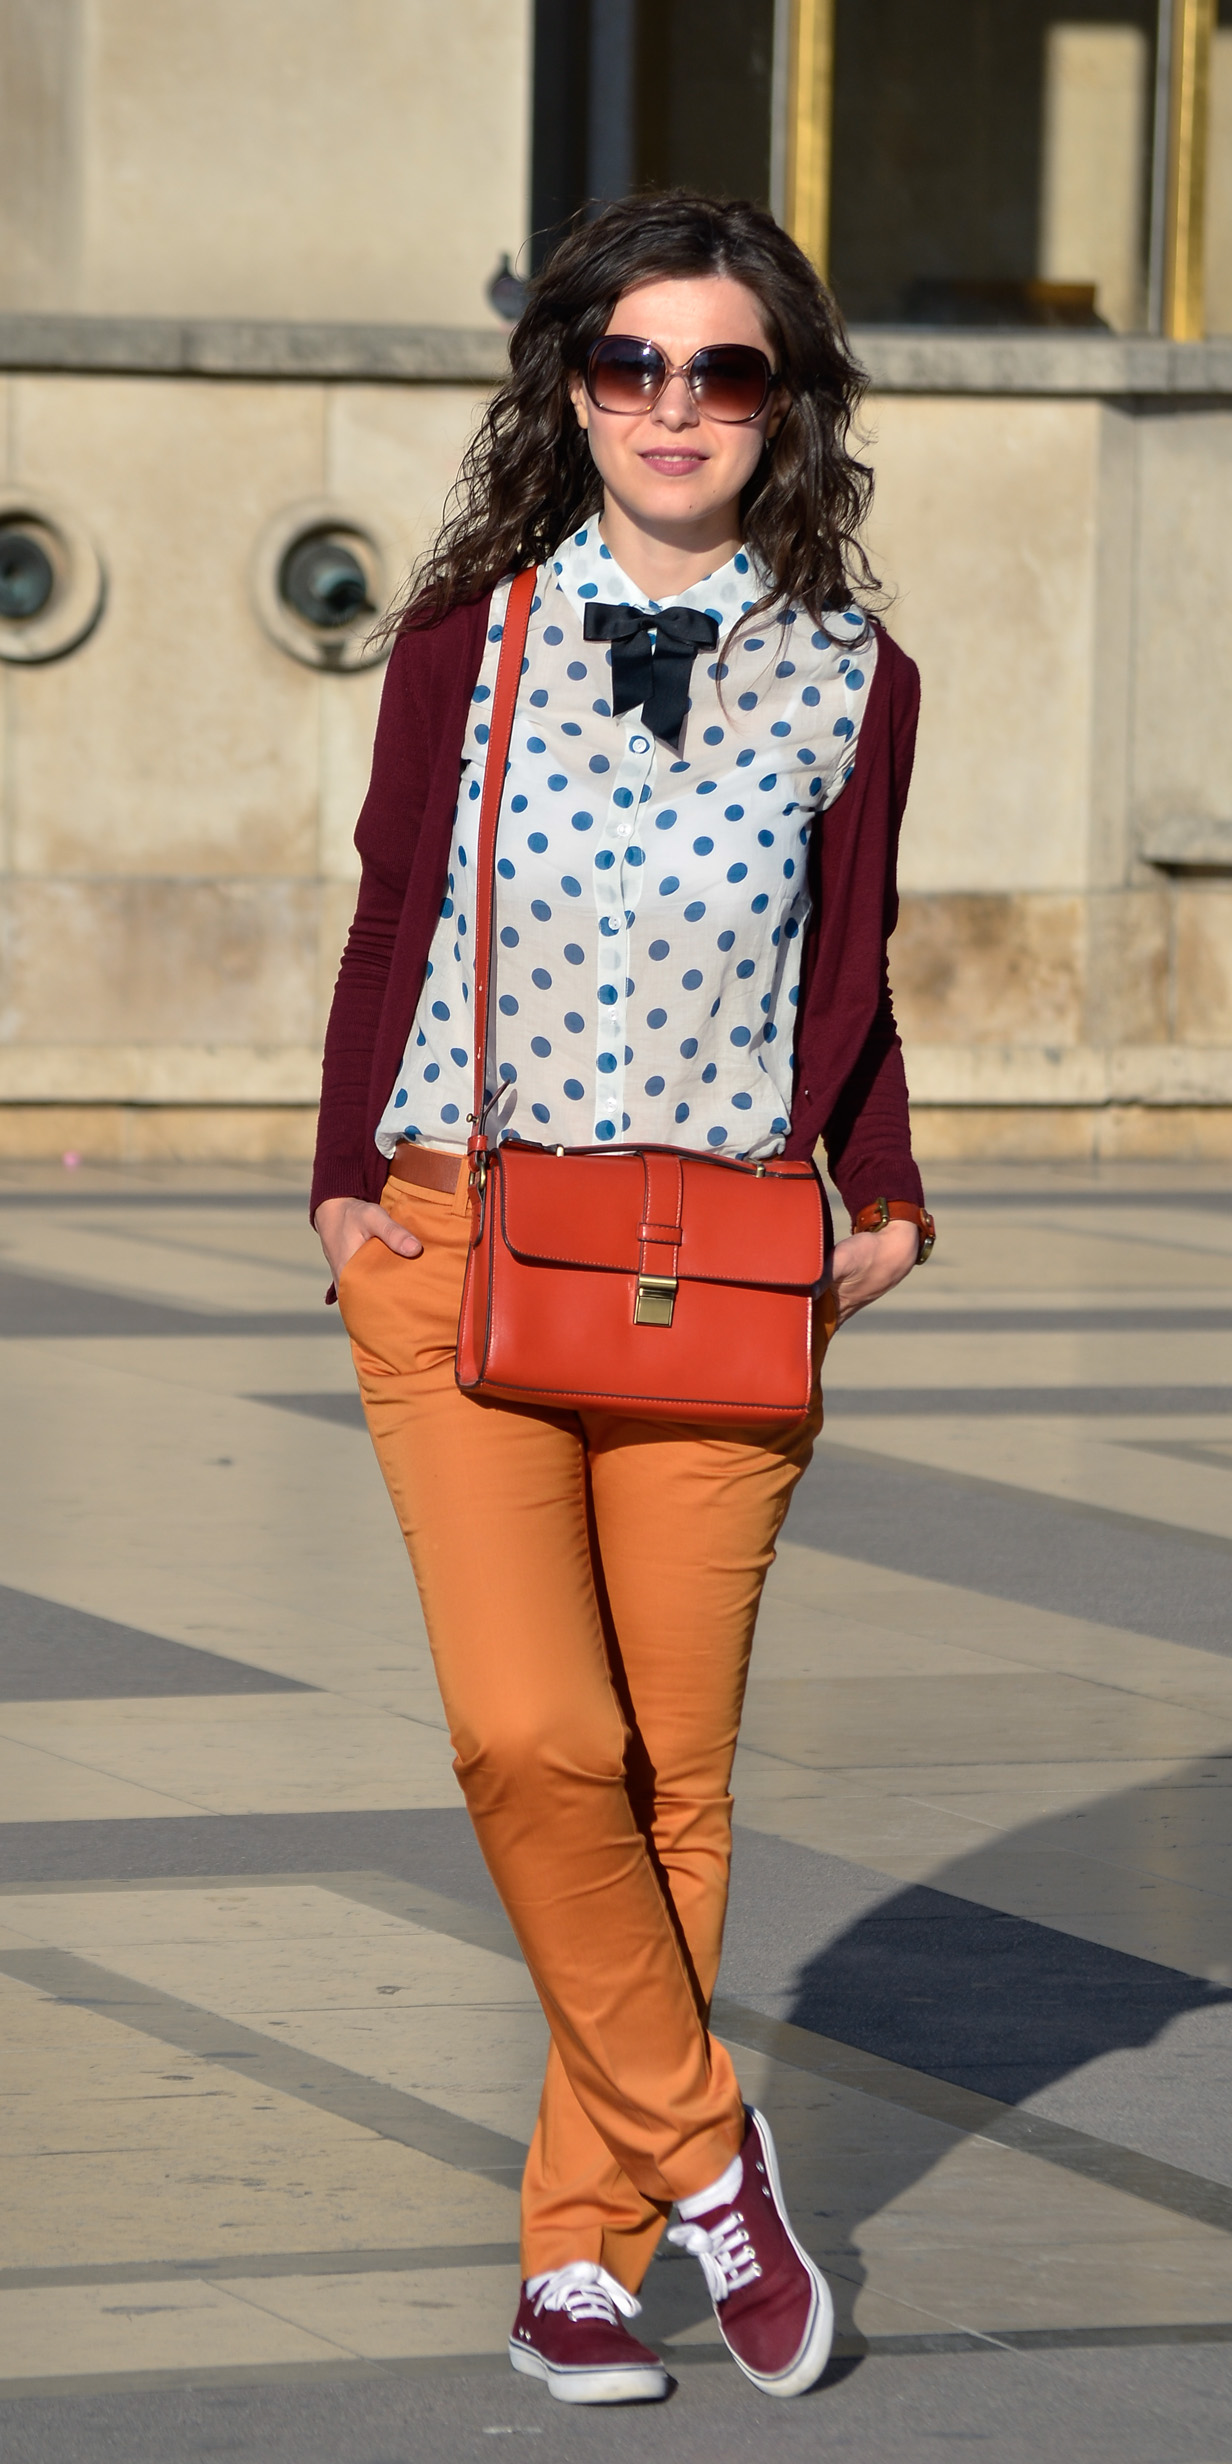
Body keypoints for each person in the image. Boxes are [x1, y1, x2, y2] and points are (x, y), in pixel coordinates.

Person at [311, 190, 931, 2408]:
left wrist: (885, 1182)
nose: (673, 405)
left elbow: (841, 976)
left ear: (784, 403)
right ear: (569, 387)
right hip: (459, 1230)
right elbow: (391, 913)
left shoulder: (858, 674)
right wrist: (328, 1182)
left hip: (729, 1260)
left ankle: (578, 2254)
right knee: (527, 1734)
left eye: (722, 367)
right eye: (629, 363)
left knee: (671, 1770)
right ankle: (712, 2160)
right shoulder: (462, 641)